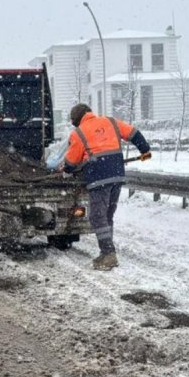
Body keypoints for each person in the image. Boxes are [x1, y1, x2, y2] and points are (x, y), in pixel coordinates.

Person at [61, 103, 151, 270]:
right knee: (107, 215)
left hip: (98, 177)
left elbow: (72, 161)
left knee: (97, 217)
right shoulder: (111, 122)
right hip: (117, 174)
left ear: (77, 120)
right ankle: (107, 252)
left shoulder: (79, 133)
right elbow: (133, 133)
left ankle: (108, 254)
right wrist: (144, 149)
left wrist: (66, 170)